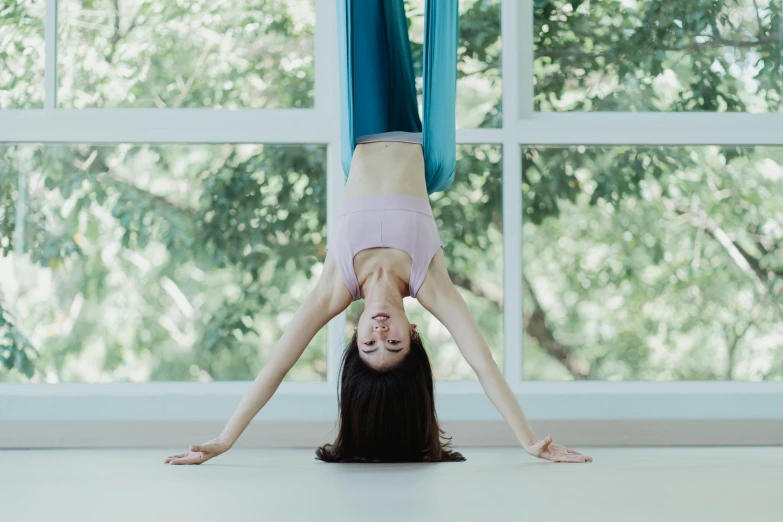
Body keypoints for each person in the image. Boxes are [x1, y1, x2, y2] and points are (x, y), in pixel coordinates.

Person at [164, 0, 591, 465]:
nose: (380, 332)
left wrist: (225, 439)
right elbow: (484, 366)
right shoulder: (430, 282)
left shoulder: (335, 286)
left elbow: (277, 366)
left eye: (369, 344)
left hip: (363, 126)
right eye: (394, 343)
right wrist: (529, 440)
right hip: (416, 135)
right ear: (413, 333)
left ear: (355, 334)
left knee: (369, 9)